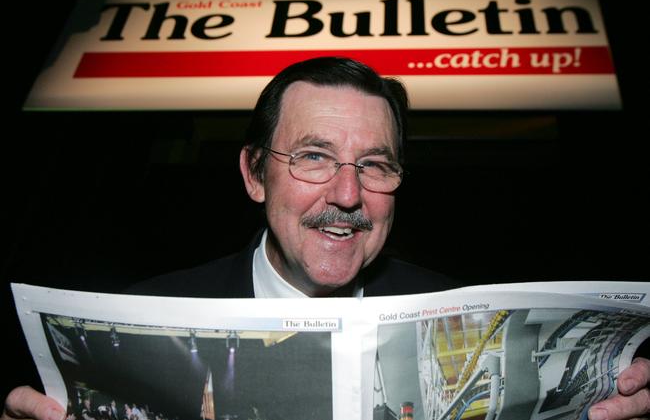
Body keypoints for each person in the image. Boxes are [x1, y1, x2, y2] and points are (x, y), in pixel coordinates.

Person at [2, 57, 648, 420]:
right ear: (255, 173)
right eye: (313, 156)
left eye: (375, 164)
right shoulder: (135, 323)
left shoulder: (468, 316)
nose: (346, 194)